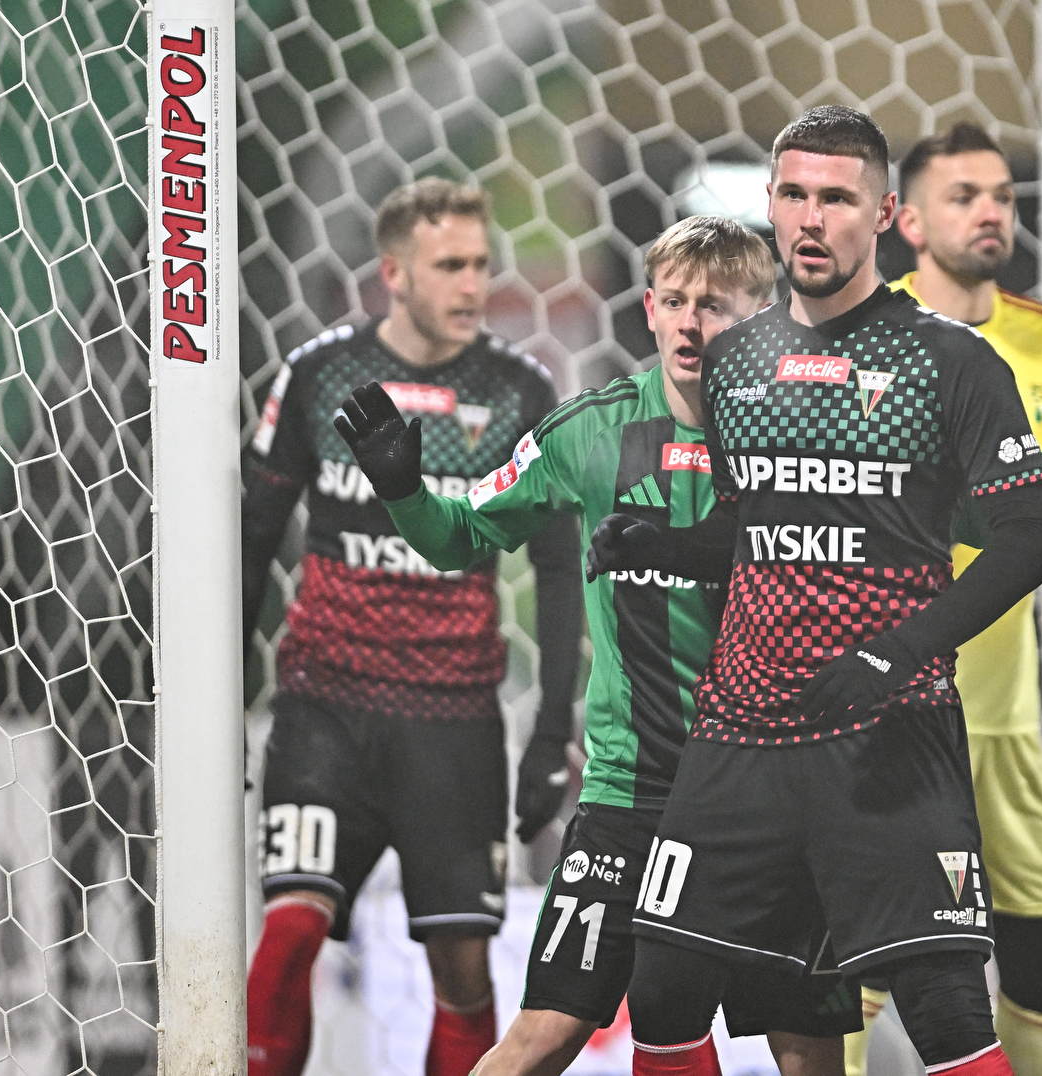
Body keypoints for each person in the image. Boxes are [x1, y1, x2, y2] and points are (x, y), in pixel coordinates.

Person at [583, 105, 1042, 1076]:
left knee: (947, 1015)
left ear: (883, 214)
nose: (811, 218)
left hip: (891, 738)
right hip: (740, 738)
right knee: (663, 993)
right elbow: (764, 528)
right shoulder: (735, 360)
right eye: (794, 194)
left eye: (837, 198)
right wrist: (675, 544)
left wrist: (896, 652)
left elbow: (1024, 544)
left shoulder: (954, 360)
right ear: (769, 203)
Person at [333, 215, 857, 1076]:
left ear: (763, 318)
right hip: (633, 791)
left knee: (805, 1053)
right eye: (675, 302)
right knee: (545, 1031)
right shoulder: (588, 432)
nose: (690, 324)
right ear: (647, 310)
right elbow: (461, 537)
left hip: (771, 791)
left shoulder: (814, 443)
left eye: (716, 306)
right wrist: (403, 490)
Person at [837, 121, 1042, 1076]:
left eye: (1000, 195)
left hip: (1003, 718)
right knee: (854, 974)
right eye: (964, 196)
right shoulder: (865, 342)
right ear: (905, 221)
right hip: (889, 711)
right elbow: (913, 516)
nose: (990, 212)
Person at [242, 178, 584, 1076]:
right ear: (393, 273)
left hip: (453, 721)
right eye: (450, 266)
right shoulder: (319, 374)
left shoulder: (519, 389)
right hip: (325, 706)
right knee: (290, 931)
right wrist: (219, 707)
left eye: (480, 263)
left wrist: (553, 732)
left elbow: (559, 567)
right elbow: (252, 537)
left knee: (463, 973)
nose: (473, 284)